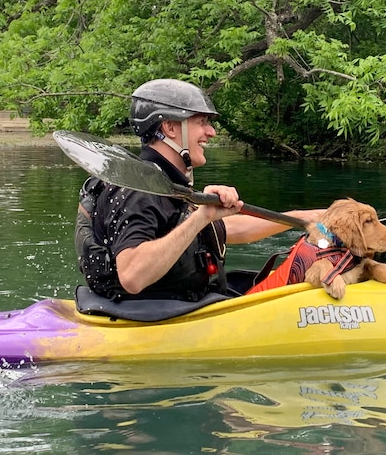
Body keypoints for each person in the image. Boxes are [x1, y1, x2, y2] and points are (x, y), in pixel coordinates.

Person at [75, 79, 324, 302]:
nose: (211, 132)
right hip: (156, 314)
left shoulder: (167, 185)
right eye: (202, 122)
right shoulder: (138, 190)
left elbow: (226, 230)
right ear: (170, 128)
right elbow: (132, 276)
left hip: (184, 300)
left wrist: (302, 218)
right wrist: (200, 217)